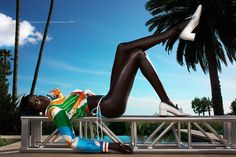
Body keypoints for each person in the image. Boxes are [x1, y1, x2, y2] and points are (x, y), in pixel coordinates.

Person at [20, 5, 202, 153]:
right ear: (37, 113)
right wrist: (110, 146)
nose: (40, 98)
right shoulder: (55, 112)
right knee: (137, 54)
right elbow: (72, 142)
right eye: (36, 102)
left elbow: (73, 106)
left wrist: (80, 96)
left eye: (36, 96)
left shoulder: (56, 103)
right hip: (110, 105)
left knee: (122, 48)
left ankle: (179, 31)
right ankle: (166, 99)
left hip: (108, 97)